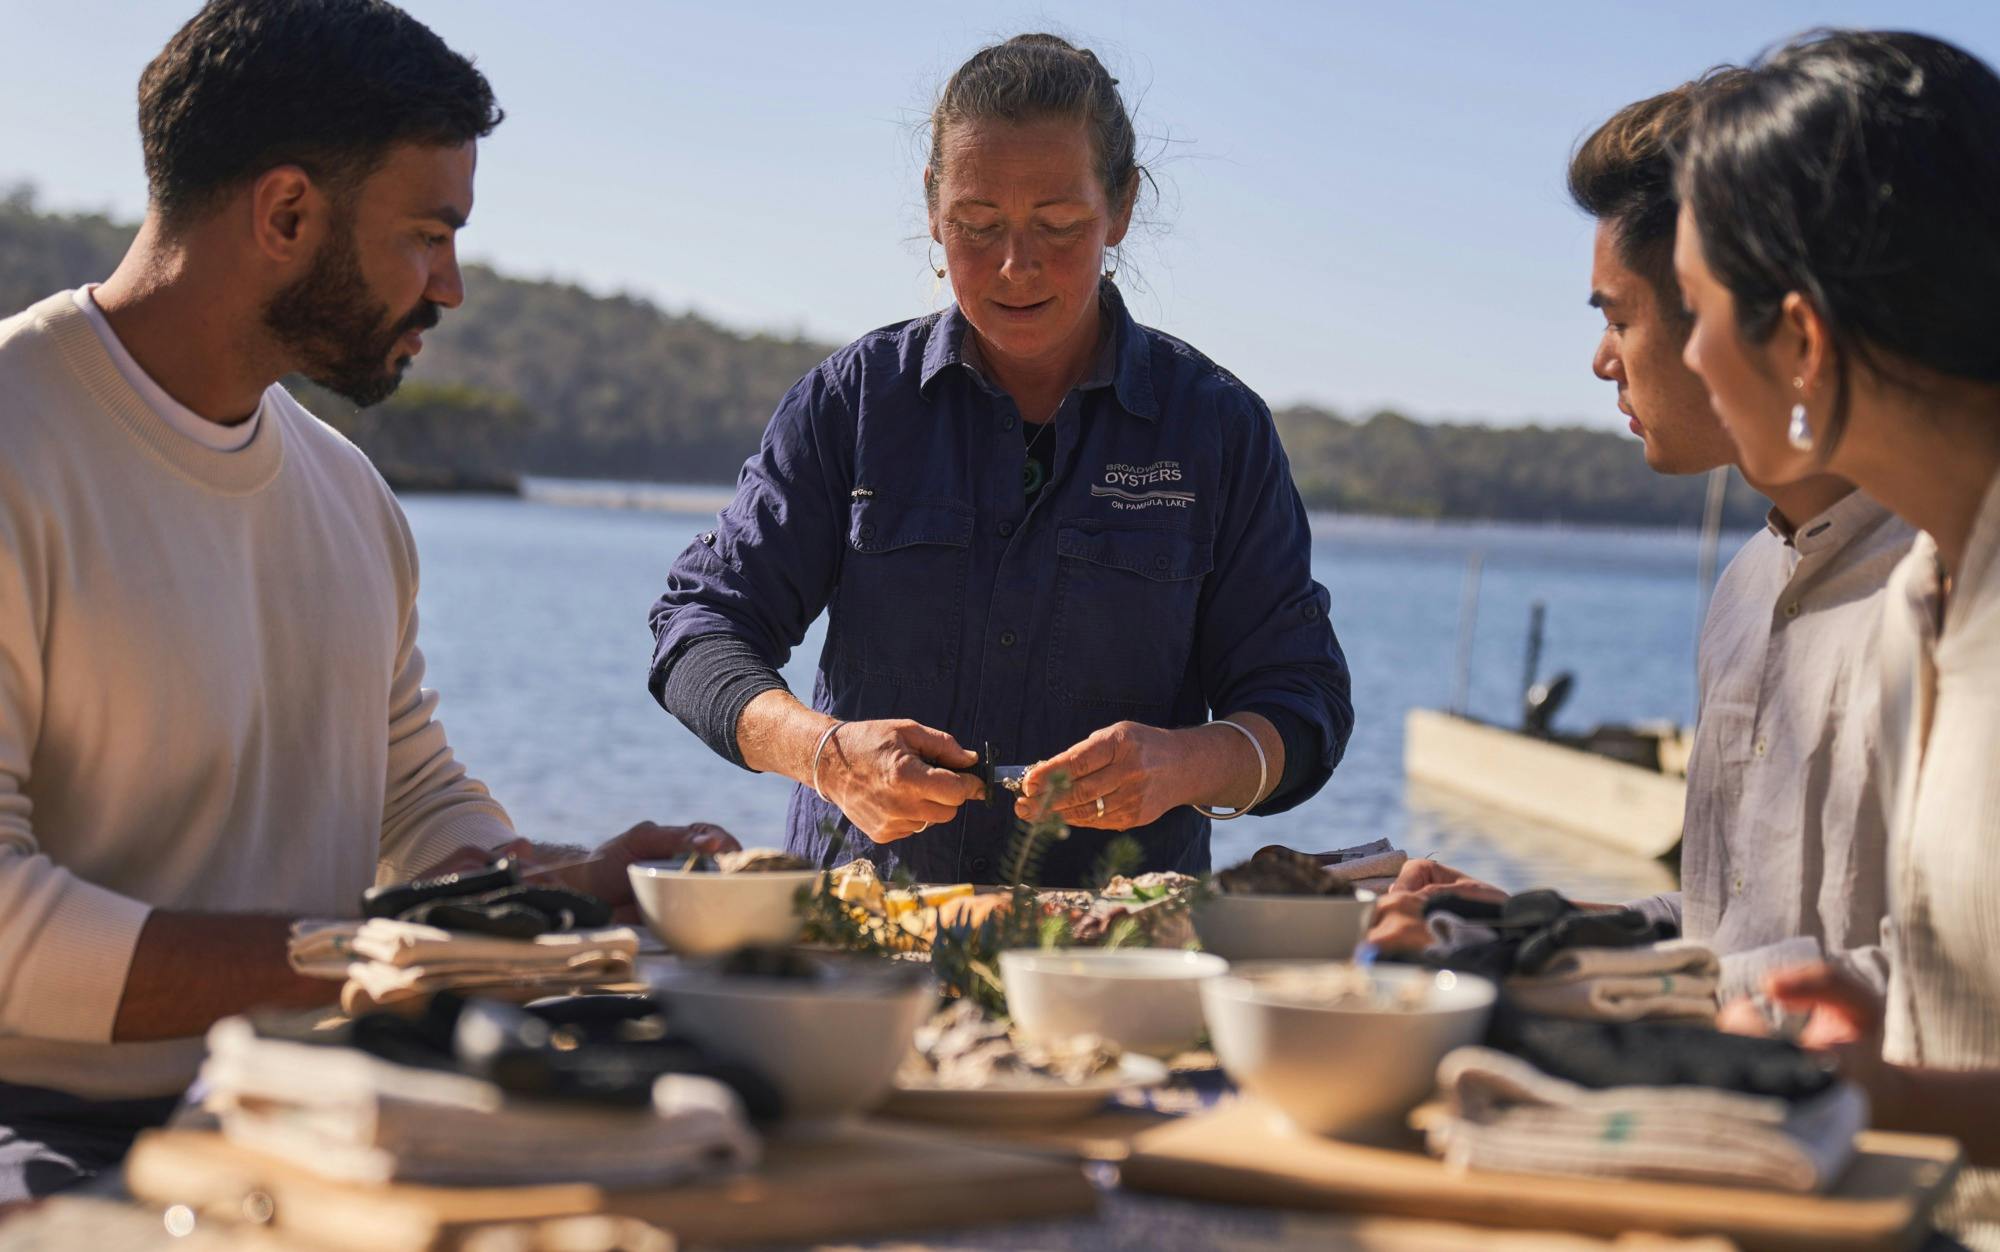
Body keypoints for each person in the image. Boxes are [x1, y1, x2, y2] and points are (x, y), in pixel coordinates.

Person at [0, 0, 732, 1201]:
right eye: (428, 233)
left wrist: (543, 885)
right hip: (44, 1124)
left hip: (324, 1090)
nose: (448, 285)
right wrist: (372, 954)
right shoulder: (16, 439)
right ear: (287, 212)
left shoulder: (348, 492)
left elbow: (411, 789)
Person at [650, 34, 1352, 887]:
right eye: (977, 227)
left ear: (1122, 207)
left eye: (1058, 226)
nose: (1016, 267)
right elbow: (699, 631)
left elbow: (1303, 702)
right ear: (932, 210)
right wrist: (823, 753)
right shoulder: (853, 404)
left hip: (1116, 952)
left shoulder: (1218, 429)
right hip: (857, 942)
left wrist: (1187, 764)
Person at [1372, 72, 1914, 1018]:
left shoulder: (1939, 591)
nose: (1601, 358)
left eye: (1621, 318)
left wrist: (1548, 977)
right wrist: (1526, 923)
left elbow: (1929, 989)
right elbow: (1721, 929)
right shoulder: (1749, 585)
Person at [1674, 28, 2000, 1247]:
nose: (1692, 352)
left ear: (1800, 339)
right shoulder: (1928, 587)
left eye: (1697, 307)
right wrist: (1877, 1036)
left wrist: (1903, 1094)